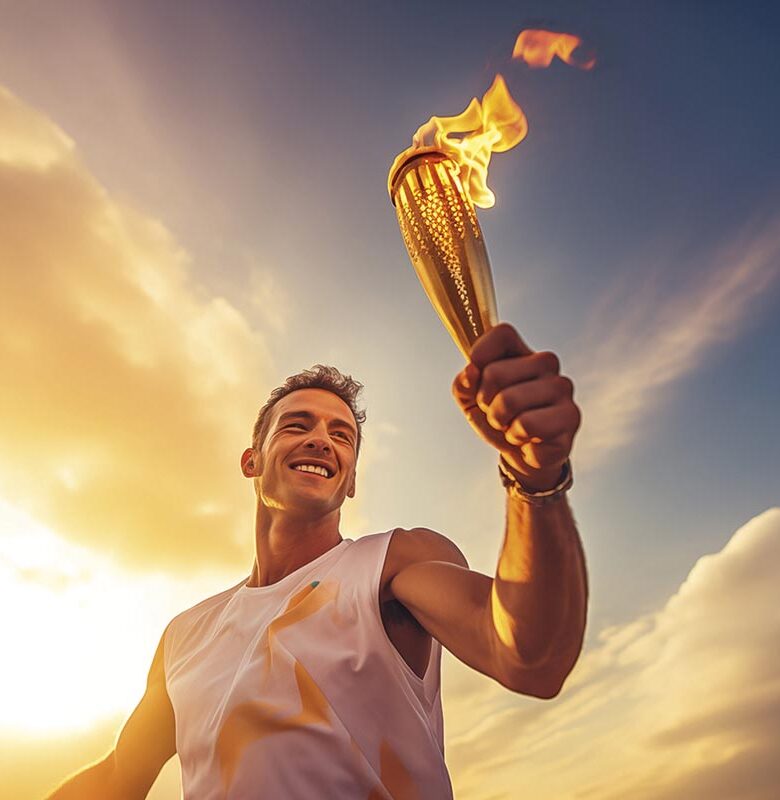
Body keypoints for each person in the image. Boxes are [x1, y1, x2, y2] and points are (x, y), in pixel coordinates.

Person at [47, 322, 587, 800]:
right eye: (297, 425)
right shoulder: (184, 636)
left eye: (341, 435)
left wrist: (535, 483)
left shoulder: (392, 565)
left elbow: (529, 658)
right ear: (251, 460)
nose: (322, 441)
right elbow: (118, 779)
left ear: (350, 480)